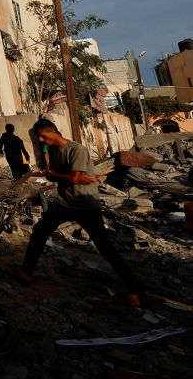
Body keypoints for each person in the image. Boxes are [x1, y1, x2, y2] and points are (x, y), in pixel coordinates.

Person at [14, 119, 145, 308]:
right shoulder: (52, 150)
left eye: (43, 136)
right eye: (38, 137)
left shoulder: (77, 150)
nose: (41, 140)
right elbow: (61, 175)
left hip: (86, 205)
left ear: (53, 132)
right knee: (40, 231)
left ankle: (136, 289)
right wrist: (57, 175)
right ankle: (26, 272)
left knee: (105, 247)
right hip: (64, 202)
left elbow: (73, 178)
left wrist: (62, 176)